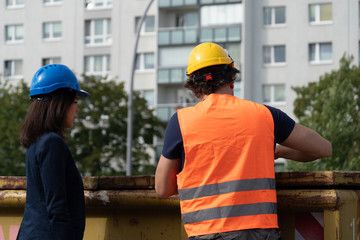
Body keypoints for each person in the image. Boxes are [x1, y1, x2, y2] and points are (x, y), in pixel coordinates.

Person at [155, 42, 332, 240]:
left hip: (206, 234)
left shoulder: (180, 122)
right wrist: (280, 152)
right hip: (261, 234)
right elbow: (323, 149)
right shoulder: (265, 115)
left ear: (195, 90)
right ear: (232, 80)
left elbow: (162, 189)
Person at [17, 64, 90, 240]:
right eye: (74, 102)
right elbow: (57, 209)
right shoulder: (52, 143)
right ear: (59, 103)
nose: (77, 109)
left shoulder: (36, 142)